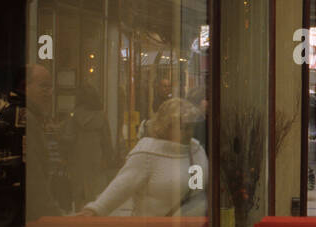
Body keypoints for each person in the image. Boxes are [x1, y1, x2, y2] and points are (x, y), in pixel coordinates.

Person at [80, 97, 208, 217]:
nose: (188, 133)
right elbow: (121, 186)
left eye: (190, 127)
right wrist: (95, 209)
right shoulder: (147, 153)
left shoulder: (196, 149)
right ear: (166, 127)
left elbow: (197, 189)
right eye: (182, 128)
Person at [59, 83, 117, 209]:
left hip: (76, 157)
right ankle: (90, 216)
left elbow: (67, 138)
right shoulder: (101, 116)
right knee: (92, 191)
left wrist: (64, 156)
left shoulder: (74, 116)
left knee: (78, 191)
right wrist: (108, 157)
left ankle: (79, 213)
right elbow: (106, 139)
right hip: (95, 158)